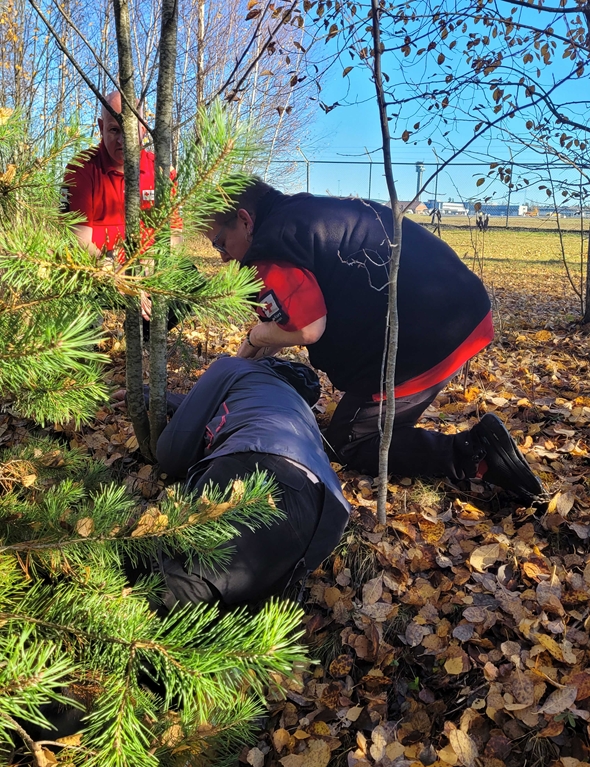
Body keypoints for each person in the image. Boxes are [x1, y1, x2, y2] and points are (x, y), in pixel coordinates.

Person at [204, 178, 544, 502]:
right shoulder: (300, 215)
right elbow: (291, 320)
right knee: (371, 423)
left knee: (349, 442)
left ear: (245, 221)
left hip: (432, 336)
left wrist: (255, 337)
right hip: (461, 310)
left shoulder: (269, 246)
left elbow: (307, 329)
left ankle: (476, 455)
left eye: (220, 242)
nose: (222, 256)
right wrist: (248, 354)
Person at [152, 355, 350, 607]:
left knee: (168, 592)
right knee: (207, 609)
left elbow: (172, 453)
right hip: (324, 516)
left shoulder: (236, 367)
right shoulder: (299, 411)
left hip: (256, 468)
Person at [60, 90, 182, 332]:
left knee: (192, 282)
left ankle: (140, 339)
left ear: (143, 129)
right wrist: (122, 276)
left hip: (149, 269)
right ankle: (86, 347)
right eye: (114, 130)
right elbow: (78, 240)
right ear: (101, 127)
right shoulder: (81, 169)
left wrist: (158, 267)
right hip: (100, 269)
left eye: (130, 131)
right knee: (74, 288)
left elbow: (175, 233)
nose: (122, 140)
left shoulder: (161, 171)